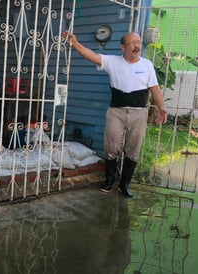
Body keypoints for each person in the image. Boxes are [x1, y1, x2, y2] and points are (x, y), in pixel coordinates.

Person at [63, 31, 167, 198]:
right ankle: (109, 180)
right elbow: (92, 56)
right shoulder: (112, 61)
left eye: (138, 42)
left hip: (139, 113)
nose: (137, 45)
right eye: (132, 43)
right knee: (111, 147)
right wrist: (75, 43)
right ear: (123, 47)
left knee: (133, 150)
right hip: (116, 112)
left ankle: (124, 184)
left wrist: (162, 108)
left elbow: (155, 88)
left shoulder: (147, 65)